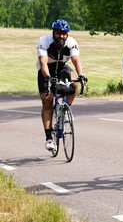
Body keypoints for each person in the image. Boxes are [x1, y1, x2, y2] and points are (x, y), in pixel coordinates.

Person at [37, 19, 87, 151]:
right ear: (54, 32)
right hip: (46, 69)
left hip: (62, 67)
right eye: (59, 33)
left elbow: (76, 60)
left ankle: (65, 110)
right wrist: (47, 78)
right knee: (47, 102)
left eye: (64, 33)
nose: (62, 36)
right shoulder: (44, 41)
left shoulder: (71, 43)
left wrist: (81, 75)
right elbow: (42, 62)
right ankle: (49, 138)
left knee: (74, 83)